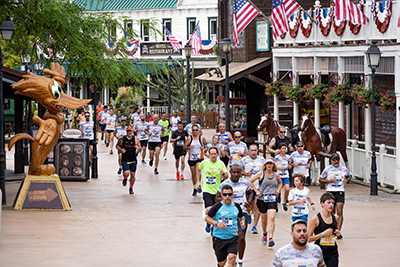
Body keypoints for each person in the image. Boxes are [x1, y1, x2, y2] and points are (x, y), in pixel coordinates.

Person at [216, 165, 253, 267]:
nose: (236, 175)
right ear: (230, 172)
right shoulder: (225, 184)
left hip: (242, 213)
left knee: (241, 237)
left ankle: (240, 261)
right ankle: (227, 256)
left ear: (241, 172)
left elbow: (250, 193)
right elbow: (217, 197)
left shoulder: (245, 182)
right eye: (234, 172)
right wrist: (227, 200)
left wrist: (249, 201)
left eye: (238, 172)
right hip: (228, 214)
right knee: (229, 237)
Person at [205, 184, 246, 267]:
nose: (227, 196)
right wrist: (216, 223)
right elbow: (207, 218)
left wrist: (242, 222)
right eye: (225, 195)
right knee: (222, 263)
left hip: (233, 238)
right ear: (221, 195)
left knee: (232, 258)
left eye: (230, 194)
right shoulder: (217, 206)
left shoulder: (236, 206)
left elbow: (241, 216)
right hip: (219, 239)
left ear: (233, 195)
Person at [249, 157, 282, 247]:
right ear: (265, 165)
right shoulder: (261, 173)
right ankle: (264, 233)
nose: (269, 165)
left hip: (272, 198)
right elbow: (250, 181)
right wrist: (257, 191)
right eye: (267, 164)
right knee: (264, 219)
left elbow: (280, 183)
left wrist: (278, 190)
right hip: (262, 199)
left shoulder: (276, 175)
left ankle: (271, 238)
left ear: (273, 165)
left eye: (271, 164)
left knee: (271, 218)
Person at [318, 152, 350, 238]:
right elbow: (320, 179)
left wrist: (346, 180)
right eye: (334, 159)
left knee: (339, 211)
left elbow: (348, 176)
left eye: (337, 159)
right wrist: (329, 181)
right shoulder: (327, 169)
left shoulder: (343, 169)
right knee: (331, 212)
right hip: (330, 191)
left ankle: (338, 231)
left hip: (340, 191)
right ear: (331, 160)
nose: (336, 161)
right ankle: (331, 230)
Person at [198, 147, 228, 233]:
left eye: (215, 154)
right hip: (207, 190)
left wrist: (222, 173)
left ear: (217, 154)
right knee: (209, 208)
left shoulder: (221, 164)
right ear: (209, 154)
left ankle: (212, 227)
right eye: (212, 154)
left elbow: (226, 177)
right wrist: (198, 182)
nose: (213, 156)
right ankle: (209, 221)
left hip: (217, 191)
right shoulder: (205, 163)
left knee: (217, 211)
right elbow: (198, 169)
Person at [308, 192, 341, 267]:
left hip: (332, 251)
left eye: (333, 203)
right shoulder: (315, 219)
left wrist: (337, 233)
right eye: (328, 203)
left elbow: (335, 232)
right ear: (322, 203)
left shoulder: (335, 218)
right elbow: (309, 239)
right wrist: (322, 234)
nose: (331, 205)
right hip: (319, 251)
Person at [241, 144, 266, 234]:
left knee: (257, 206)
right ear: (248, 151)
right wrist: (245, 173)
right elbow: (239, 171)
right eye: (252, 150)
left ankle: (255, 226)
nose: (253, 152)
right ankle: (248, 214)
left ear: (257, 151)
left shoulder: (262, 160)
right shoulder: (244, 160)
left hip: (259, 187)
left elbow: (265, 171)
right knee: (249, 206)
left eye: (255, 150)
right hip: (247, 186)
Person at [116, 127, 142, 194]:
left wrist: (138, 148)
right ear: (126, 132)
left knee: (133, 174)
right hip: (125, 159)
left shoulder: (136, 139)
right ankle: (125, 178)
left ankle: (131, 188)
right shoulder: (123, 139)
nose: (129, 132)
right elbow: (117, 146)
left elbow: (140, 148)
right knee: (126, 173)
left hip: (133, 159)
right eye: (128, 131)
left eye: (131, 131)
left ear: (132, 132)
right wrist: (121, 150)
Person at [184, 125, 207, 196]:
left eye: (196, 130)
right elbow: (184, 147)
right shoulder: (189, 138)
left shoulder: (201, 138)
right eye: (193, 130)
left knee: (198, 170)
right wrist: (188, 147)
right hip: (191, 158)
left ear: (198, 131)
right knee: (193, 174)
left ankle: (199, 185)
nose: (195, 131)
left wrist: (204, 147)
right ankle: (194, 188)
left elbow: (206, 144)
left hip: (199, 157)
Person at [274, 143, 292, 211]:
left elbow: (290, 163)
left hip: (285, 175)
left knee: (287, 189)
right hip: (279, 175)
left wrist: (290, 165)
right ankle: (276, 204)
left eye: (285, 148)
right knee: (277, 191)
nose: (284, 150)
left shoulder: (288, 157)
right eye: (282, 149)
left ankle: (284, 202)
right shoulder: (277, 157)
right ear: (279, 150)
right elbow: (274, 166)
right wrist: (278, 168)